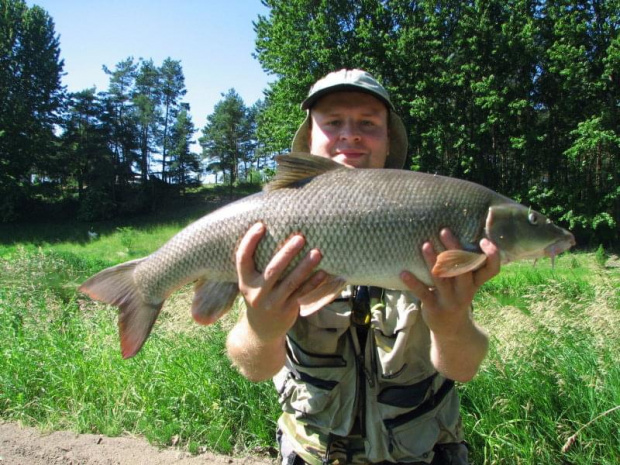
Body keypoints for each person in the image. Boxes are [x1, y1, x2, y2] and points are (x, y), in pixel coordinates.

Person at [226, 69, 500, 465]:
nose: (350, 134)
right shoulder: (277, 228)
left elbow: (463, 367)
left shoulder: (433, 220)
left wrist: (452, 321)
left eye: (368, 123)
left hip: (422, 453)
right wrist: (260, 327)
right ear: (309, 140)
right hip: (312, 453)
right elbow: (253, 367)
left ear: (389, 141)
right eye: (333, 122)